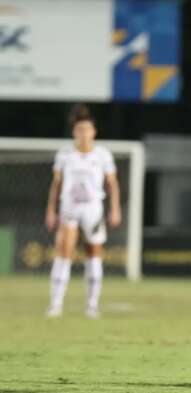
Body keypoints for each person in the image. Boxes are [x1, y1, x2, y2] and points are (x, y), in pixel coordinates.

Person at [45, 104, 121, 319]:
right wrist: (51, 210)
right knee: (64, 251)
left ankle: (91, 305)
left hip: (93, 210)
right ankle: (55, 304)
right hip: (69, 207)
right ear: (74, 132)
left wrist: (115, 208)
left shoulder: (103, 155)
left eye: (87, 129)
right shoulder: (65, 154)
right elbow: (56, 184)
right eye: (80, 129)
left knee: (93, 254)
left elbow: (112, 184)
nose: (84, 133)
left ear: (94, 132)